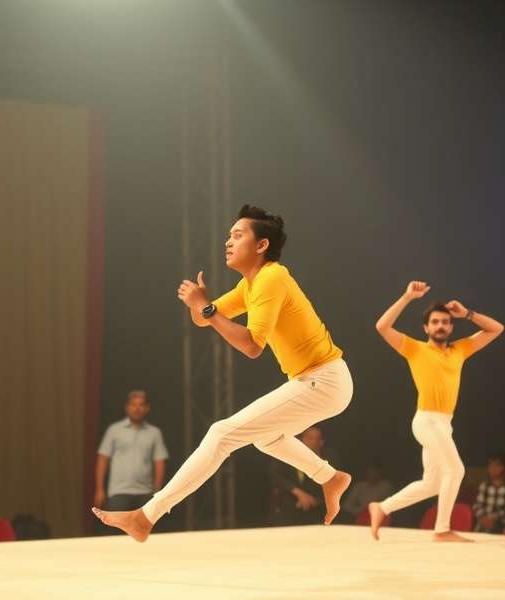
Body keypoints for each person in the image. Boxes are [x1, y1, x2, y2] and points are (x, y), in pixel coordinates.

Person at [92, 205, 354, 542]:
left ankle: (146, 516)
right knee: (265, 437)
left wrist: (205, 307)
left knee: (222, 433)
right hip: (317, 381)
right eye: (228, 235)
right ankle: (329, 477)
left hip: (324, 380)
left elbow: (250, 345)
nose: (227, 242)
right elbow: (205, 317)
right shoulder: (250, 285)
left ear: (261, 245)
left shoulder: (273, 276)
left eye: (237, 234)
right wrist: (199, 305)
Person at [369, 281, 504, 542]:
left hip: (444, 424)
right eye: (435, 322)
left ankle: (382, 507)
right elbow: (382, 326)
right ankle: (442, 530)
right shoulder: (415, 349)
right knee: (456, 470)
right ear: (426, 327)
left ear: (451, 327)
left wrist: (467, 314)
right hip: (426, 420)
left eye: (445, 322)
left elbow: (497, 329)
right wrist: (407, 297)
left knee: (432, 483)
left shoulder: (460, 349)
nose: (440, 326)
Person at [94, 390, 169, 518]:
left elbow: (159, 462)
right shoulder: (114, 430)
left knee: (145, 534)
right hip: (118, 492)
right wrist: (99, 489)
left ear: (146, 408)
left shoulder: (154, 433)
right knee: (116, 534)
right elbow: (103, 459)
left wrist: (157, 491)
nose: (137, 408)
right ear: (127, 407)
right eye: (133, 405)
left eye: (141, 405)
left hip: (145, 493)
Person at [269, 426, 339, 526]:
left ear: (321, 442)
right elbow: (274, 475)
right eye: (308, 437)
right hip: (288, 508)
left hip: (318, 510)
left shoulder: (329, 459)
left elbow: (335, 483)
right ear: (302, 439)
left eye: (314, 438)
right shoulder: (289, 453)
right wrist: (298, 493)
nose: (309, 441)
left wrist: (316, 500)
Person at [472, 451, 505, 533]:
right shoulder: (484, 486)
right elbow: (477, 505)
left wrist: (494, 517)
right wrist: (482, 517)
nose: (493, 468)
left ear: (504, 467)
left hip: (503, 524)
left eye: (497, 465)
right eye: (490, 464)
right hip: (484, 522)